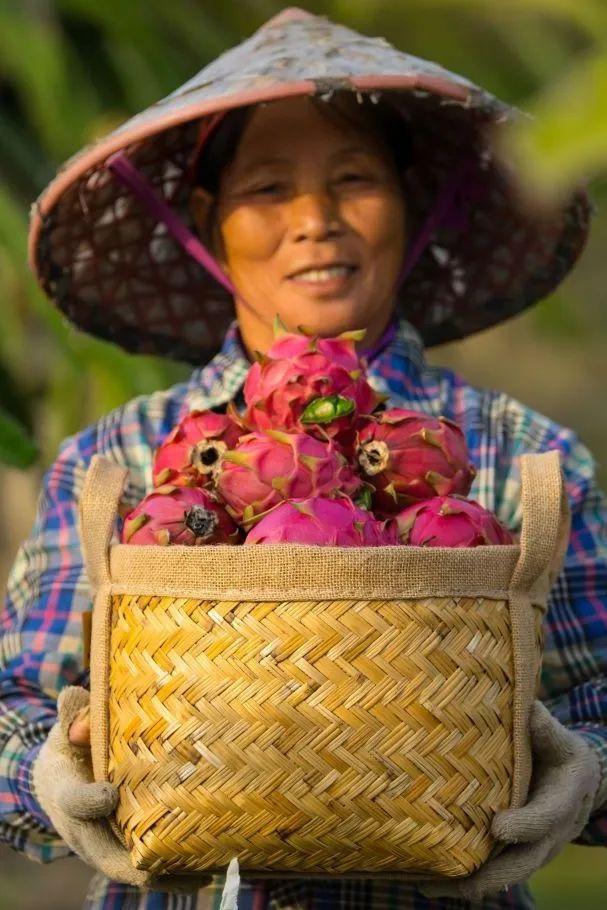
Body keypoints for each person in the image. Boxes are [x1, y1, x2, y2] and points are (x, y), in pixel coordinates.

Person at [1, 7, 605, 910]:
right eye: (267, 188)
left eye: (354, 179)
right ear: (206, 222)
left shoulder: (525, 456)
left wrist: (580, 769)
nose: (314, 221)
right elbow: (14, 701)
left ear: (411, 203)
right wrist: (48, 771)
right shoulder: (114, 460)